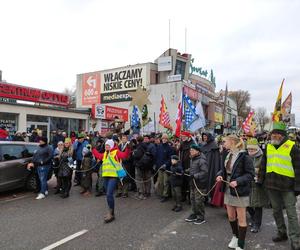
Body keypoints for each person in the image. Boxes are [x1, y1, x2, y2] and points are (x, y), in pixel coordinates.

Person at [258, 122, 300, 250]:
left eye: (275, 134)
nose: (273, 136)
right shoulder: (268, 147)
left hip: (288, 187)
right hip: (272, 186)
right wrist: (260, 179)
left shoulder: (292, 147)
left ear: (281, 135)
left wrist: (298, 187)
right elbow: (263, 165)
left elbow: (298, 169)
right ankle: (282, 233)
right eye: (272, 134)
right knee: (276, 211)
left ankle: (295, 240)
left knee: (291, 213)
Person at [216, 135, 254, 250]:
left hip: (240, 191)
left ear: (232, 142)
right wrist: (219, 175)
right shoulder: (228, 154)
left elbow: (250, 175)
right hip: (228, 188)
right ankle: (235, 237)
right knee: (231, 216)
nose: (223, 144)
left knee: (241, 219)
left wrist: (238, 181)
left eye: (225, 142)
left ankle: (241, 244)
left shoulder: (245, 157)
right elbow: (224, 170)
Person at [92, 139, 130, 223]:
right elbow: (98, 156)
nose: (106, 147)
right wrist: (93, 148)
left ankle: (111, 214)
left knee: (109, 194)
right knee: (108, 195)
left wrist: (128, 149)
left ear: (112, 146)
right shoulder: (105, 153)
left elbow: (124, 155)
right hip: (106, 177)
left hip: (113, 177)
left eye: (108, 145)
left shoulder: (116, 152)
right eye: (106, 145)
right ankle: (111, 212)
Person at [246, 138, 269, 233]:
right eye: (249, 150)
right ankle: (253, 217)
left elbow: (264, 170)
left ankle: (257, 224)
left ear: (257, 149)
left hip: (258, 184)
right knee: (247, 204)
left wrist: (256, 173)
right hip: (248, 183)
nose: (250, 152)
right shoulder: (246, 156)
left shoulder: (263, 157)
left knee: (258, 205)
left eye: (252, 150)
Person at [185, 144, 208, 225]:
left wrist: (195, 176)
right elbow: (193, 168)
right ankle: (194, 214)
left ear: (197, 151)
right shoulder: (193, 159)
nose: (190, 151)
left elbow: (205, 172)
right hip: (192, 183)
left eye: (192, 150)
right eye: (190, 150)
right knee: (192, 199)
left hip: (200, 184)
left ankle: (201, 217)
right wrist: (186, 171)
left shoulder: (202, 160)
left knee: (199, 201)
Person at [201, 132, 221, 203]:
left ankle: (213, 199)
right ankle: (205, 197)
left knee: (211, 182)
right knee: (204, 182)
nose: (204, 138)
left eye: (205, 137)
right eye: (203, 137)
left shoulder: (214, 146)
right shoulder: (203, 145)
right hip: (204, 166)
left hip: (211, 167)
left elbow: (216, 159)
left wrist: (215, 168)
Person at [155, 133, 174, 202]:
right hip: (160, 167)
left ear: (167, 140)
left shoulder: (170, 148)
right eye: (163, 138)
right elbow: (157, 157)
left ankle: (166, 195)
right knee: (160, 182)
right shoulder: (159, 147)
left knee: (166, 182)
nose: (164, 140)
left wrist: (166, 165)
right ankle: (162, 194)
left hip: (166, 168)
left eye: (165, 138)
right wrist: (156, 165)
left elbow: (170, 159)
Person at [179, 131, 194, 203]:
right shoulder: (182, 143)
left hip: (190, 165)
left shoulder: (193, 144)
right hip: (183, 165)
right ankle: (183, 196)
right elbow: (180, 152)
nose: (182, 138)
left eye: (184, 137)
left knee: (189, 183)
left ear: (188, 137)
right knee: (183, 182)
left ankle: (190, 198)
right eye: (182, 137)